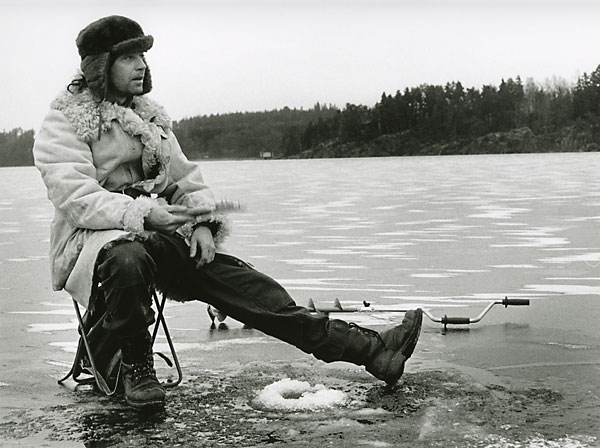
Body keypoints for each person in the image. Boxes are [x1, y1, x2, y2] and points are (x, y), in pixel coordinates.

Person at [33, 15, 423, 411]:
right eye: (130, 57)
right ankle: (137, 370)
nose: (142, 66)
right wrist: (144, 214)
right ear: (100, 66)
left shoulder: (150, 118)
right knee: (127, 256)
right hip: (93, 244)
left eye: (143, 56)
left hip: (159, 235)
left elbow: (184, 180)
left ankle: (373, 352)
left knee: (249, 289)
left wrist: (202, 223)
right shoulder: (64, 122)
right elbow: (76, 196)